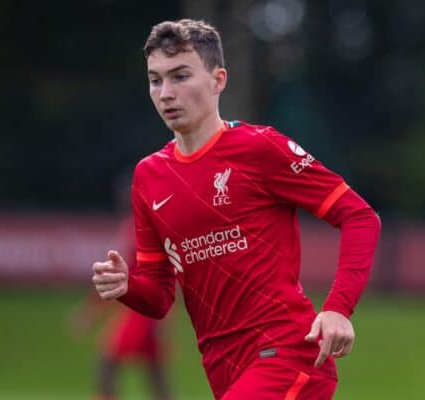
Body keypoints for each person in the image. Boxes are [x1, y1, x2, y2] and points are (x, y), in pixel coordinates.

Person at [92, 19, 381, 400]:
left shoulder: (260, 149)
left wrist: (338, 309)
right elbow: (160, 297)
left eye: (180, 76)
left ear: (218, 80)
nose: (166, 93)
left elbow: (359, 217)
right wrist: (128, 287)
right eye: (155, 79)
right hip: (223, 369)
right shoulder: (149, 176)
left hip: (287, 357)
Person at [72, 215, 173, 400]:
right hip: (142, 307)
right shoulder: (137, 226)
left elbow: (163, 274)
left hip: (142, 311)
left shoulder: (141, 229)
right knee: (154, 368)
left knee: (107, 360)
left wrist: (90, 312)